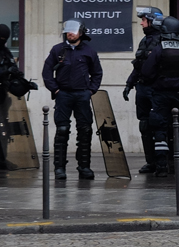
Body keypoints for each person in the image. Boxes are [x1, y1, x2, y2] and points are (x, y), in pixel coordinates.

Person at [42, 20, 103, 180]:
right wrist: (55, 89)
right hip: (63, 95)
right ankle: (59, 168)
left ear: (81, 33)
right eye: (68, 31)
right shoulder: (58, 50)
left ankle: (84, 167)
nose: (70, 33)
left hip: (82, 95)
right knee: (62, 130)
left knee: (85, 130)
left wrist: (91, 90)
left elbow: (97, 73)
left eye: (74, 31)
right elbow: (47, 71)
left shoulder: (89, 52)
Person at [140, 16, 179, 177]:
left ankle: (162, 167)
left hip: (160, 95)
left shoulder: (160, 48)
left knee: (160, 130)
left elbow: (146, 72)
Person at [123, 5, 163, 174]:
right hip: (143, 88)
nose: (141, 24)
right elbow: (138, 65)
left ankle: (162, 163)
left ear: (153, 22)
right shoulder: (144, 41)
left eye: (144, 20)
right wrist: (129, 84)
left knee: (159, 126)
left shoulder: (163, 40)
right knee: (145, 126)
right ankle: (151, 162)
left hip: (156, 89)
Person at [0, 24, 38, 171]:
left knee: (4, 129)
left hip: (2, 94)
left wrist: (24, 83)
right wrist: (5, 71)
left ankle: (3, 159)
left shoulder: (5, 52)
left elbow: (12, 71)